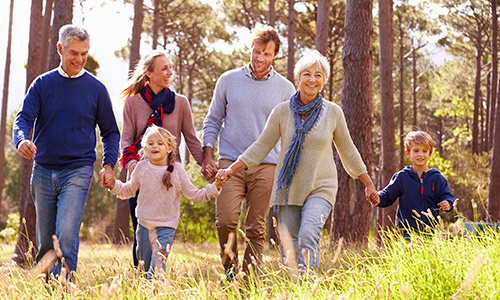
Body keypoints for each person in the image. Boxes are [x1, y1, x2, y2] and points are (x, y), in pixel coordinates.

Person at [216, 50, 377, 275]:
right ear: (298, 78)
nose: (312, 79)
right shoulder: (282, 112)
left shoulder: (333, 112)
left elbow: (348, 150)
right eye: (307, 74)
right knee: (290, 247)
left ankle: (308, 288)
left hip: (321, 187)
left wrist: (368, 183)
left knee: (309, 233)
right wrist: (231, 169)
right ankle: (295, 290)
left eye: (318, 75)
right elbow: (261, 146)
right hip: (289, 188)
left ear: (324, 80)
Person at [13, 25, 120, 279]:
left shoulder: (96, 89)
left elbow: (110, 132)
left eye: (84, 53)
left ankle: (64, 290)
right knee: (47, 241)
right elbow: (23, 119)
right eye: (74, 52)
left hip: (78, 170)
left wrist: (108, 164)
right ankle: (49, 288)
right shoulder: (42, 84)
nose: (79, 59)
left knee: (66, 236)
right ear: (60, 49)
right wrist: (21, 141)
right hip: (43, 172)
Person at [202, 24, 296, 278]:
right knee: (225, 220)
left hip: (266, 165)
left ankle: (249, 280)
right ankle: (230, 272)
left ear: (275, 54)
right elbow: (213, 120)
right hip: (229, 163)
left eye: (266, 53)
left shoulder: (286, 89)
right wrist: (207, 154)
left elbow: (289, 132)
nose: (259, 58)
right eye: (256, 51)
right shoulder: (228, 80)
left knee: (256, 228)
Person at [120, 50, 215, 268]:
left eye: (170, 67)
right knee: (141, 234)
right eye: (164, 68)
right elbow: (126, 140)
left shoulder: (180, 103)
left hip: (169, 178)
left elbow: (191, 139)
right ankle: (142, 279)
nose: (170, 73)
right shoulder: (132, 103)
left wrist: (206, 165)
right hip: (140, 177)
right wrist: (133, 164)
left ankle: (157, 277)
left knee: (163, 233)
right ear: (149, 74)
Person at [106, 125, 220, 276]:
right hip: (144, 226)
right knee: (144, 268)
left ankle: (158, 292)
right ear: (145, 148)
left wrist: (215, 187)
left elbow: (195, 194)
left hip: (166, 228)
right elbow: (128, 190)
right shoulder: (141, 168)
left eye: (160, 143)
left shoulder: (177, 171)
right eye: (151, 143)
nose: (155, 146)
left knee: (158, 268)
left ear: (170, 148)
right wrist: (113, 185)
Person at [371, 131, 455, 236]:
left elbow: (448, 195)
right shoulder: (402, 177)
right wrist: (378, 198)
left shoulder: (437, 178)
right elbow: (388, 195)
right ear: (408, 154)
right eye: (416, 150)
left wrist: (448, 203)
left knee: (428, 252)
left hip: (431, 231)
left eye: (424, 151)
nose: (420, 154)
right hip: (407, 231)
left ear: (430, 154)